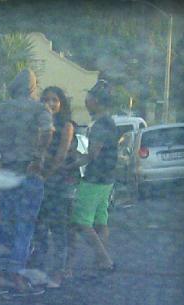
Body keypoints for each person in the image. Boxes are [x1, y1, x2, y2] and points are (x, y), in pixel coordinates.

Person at [0, 68, 54, 296]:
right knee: (25, 225)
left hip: (7, 172)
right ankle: (17, 276)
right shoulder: (40, 109)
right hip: (29, 171)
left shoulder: (2, 108)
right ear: (32, 87)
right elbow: (48, 131)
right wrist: (38, 155)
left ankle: (1, 273)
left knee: (7, 222)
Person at [66, 79, 118, 276]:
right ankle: (100, 262)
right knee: (100, 220)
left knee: (81, 221)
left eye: (88, 98)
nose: (86, 101)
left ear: (95, 101)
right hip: (108, 179)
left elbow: (92, 155)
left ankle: (105, 259)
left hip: (94, 179)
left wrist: (70, 164)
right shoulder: (110, 123)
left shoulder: (99, 126)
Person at [31, 86, 76, 288]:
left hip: (58, 184)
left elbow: (61, 156)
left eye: (54, 100)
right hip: (40, 183)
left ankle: (58, 272)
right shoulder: (39, 124)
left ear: (61, 103)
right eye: (46, 99)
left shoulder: (66, 125)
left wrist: (45, 175)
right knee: (39, 230)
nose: (50, 103)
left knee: (59, 230)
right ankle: (38, 271)